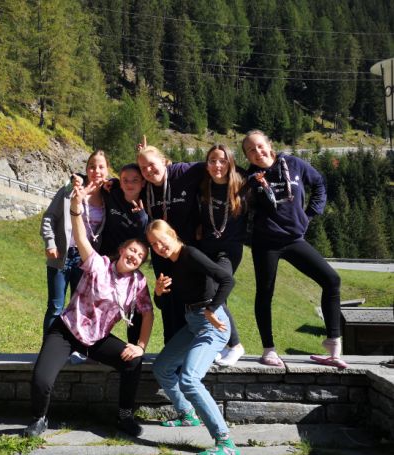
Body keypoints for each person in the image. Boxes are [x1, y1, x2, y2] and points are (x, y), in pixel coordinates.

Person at [24, 183, 154, 438]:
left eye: (140, 255)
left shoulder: (138, 282)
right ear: (122, 250)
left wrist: (140, 346)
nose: (134, 256)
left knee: (133, 362)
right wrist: (76, 208)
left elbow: (148, 313)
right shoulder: (98, 264)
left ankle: (124, 415)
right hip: (66, 331)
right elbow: (81, 237)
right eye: (132, 250)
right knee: (42, 378)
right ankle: (39, 418)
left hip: (97, 339)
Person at [242, 130, 346, 369]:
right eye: (250, 150)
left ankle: (333, 343)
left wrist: (310, 214)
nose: (257, 152)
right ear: (247, 156)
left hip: (295, 239)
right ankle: (268, 350)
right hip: (266, 243)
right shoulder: (249, 177)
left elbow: (319, 183)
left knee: (331, 280)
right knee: (265, 292)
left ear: (269, 145)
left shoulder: (293, 164)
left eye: (259, 146)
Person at [147, 219, 240, 455]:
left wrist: (212, 308)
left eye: (161, 240)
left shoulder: (191, 254)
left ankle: (225, 442)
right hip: (193, 323)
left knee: (189, 379)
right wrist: (158, 292)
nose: (159, 247)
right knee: (162, 367)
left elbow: (227, 279)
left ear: (173, 234)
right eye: (153, 244)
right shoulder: (170, 264)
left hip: (213, 325)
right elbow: (163, 304)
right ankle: (187, 414)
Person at [137, 143, 205, 343]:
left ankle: (204, 342)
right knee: (168, 297)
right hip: (161, 252)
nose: (149, 171)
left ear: (164, 161)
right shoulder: (144, 187)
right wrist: (110, 184)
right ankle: (171, 343)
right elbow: (123, 182)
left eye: (152, 164)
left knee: (195, 295)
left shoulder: (182, 172)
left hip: (188, 250)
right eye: (143, 168)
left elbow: (217, 165)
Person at [40, 150, 109, 336]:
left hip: (86, 260)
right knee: (55, 307)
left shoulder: (109, 196)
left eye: (101, 167)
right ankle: (48, 347)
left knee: (78, 308)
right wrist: (50, 243)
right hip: (62, 255)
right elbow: (49, 217)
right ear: (86, 170)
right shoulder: (70, 190)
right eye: (92, 166)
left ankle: (72, 347)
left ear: (107, 170)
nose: (96, 171)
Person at [198, 144, 248, 366]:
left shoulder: (242, 185)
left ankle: (235, 345)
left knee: (217, 290)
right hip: (206, 247)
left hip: (229, 250)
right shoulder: (203, 185)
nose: (217, 165)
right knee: (213, 294)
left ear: (230, 163)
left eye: (222, 161)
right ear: (206, 164)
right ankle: (220, 343)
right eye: (212, 161)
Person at [99, 163, 148, 345]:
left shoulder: (147, 202)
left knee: (135, 304)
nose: (129, 184)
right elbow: (94, 180)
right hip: (106, 258)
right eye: (125, 180)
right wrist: (110, 181)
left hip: (129, 262)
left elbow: (145, 240)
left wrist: (141, 218)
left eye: (135, 180)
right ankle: (88, 342)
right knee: (100, 302)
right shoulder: (112, 192)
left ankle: (134, 347)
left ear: (143, 182)